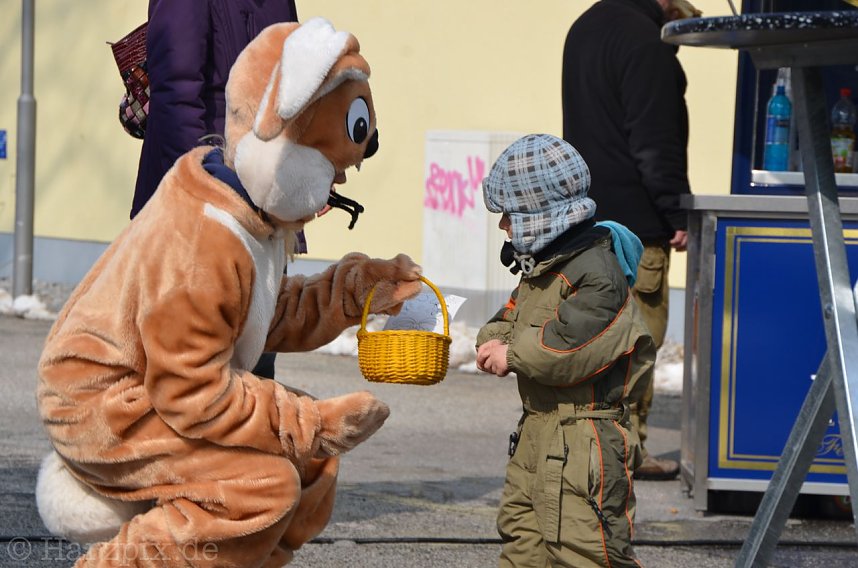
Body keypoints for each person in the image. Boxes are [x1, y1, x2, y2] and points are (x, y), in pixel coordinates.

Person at [476, 134, 656, 567]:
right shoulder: (542, 268)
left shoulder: (597, 273)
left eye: (509, 215)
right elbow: (504, 320)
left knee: (585, 551)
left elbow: (565, 348)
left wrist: (510, 353)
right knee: (523, 544)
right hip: (538, 433)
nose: (503, 226)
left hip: (584, 442)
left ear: (540, 214)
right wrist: (493, 341)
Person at [561, 0, 696, 481]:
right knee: (637, 342)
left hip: (587, 221)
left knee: (595, 337)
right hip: (639, 227)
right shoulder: (647, 42)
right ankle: (625, 451)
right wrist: (676, 209)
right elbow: (654, 141)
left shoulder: (584, 27)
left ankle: (590, 443)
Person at [131, 0, 299, 379]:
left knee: (256, 356)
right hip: (204, 198)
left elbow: (294, 83)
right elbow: (176, 91)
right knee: (191, 359)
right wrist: (203, 186)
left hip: (265, 195)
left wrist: (307, 173)